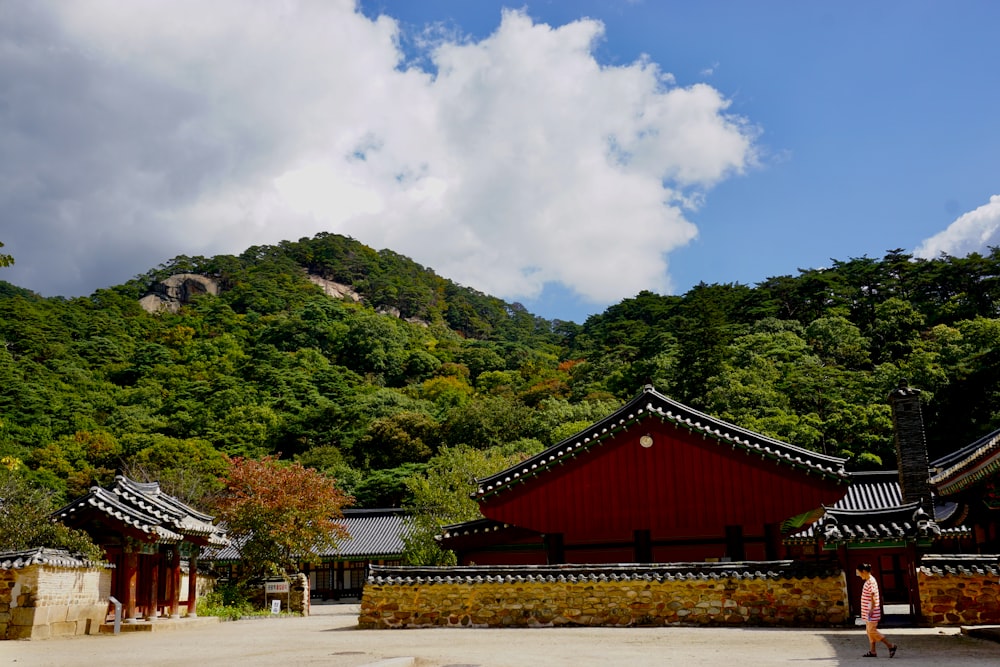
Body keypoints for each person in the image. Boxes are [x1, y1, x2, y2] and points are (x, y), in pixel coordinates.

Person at [856, 563, 898, 658]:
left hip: (871, 611)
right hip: (869, 611)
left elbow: (873, 596)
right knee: (869, 630)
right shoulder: (869, 581)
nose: (859, 575)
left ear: (864, 572)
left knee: (872, 631)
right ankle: (873, 651)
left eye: (860, 573)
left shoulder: (870, 581)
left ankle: (890, 646)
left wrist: (871, 609)